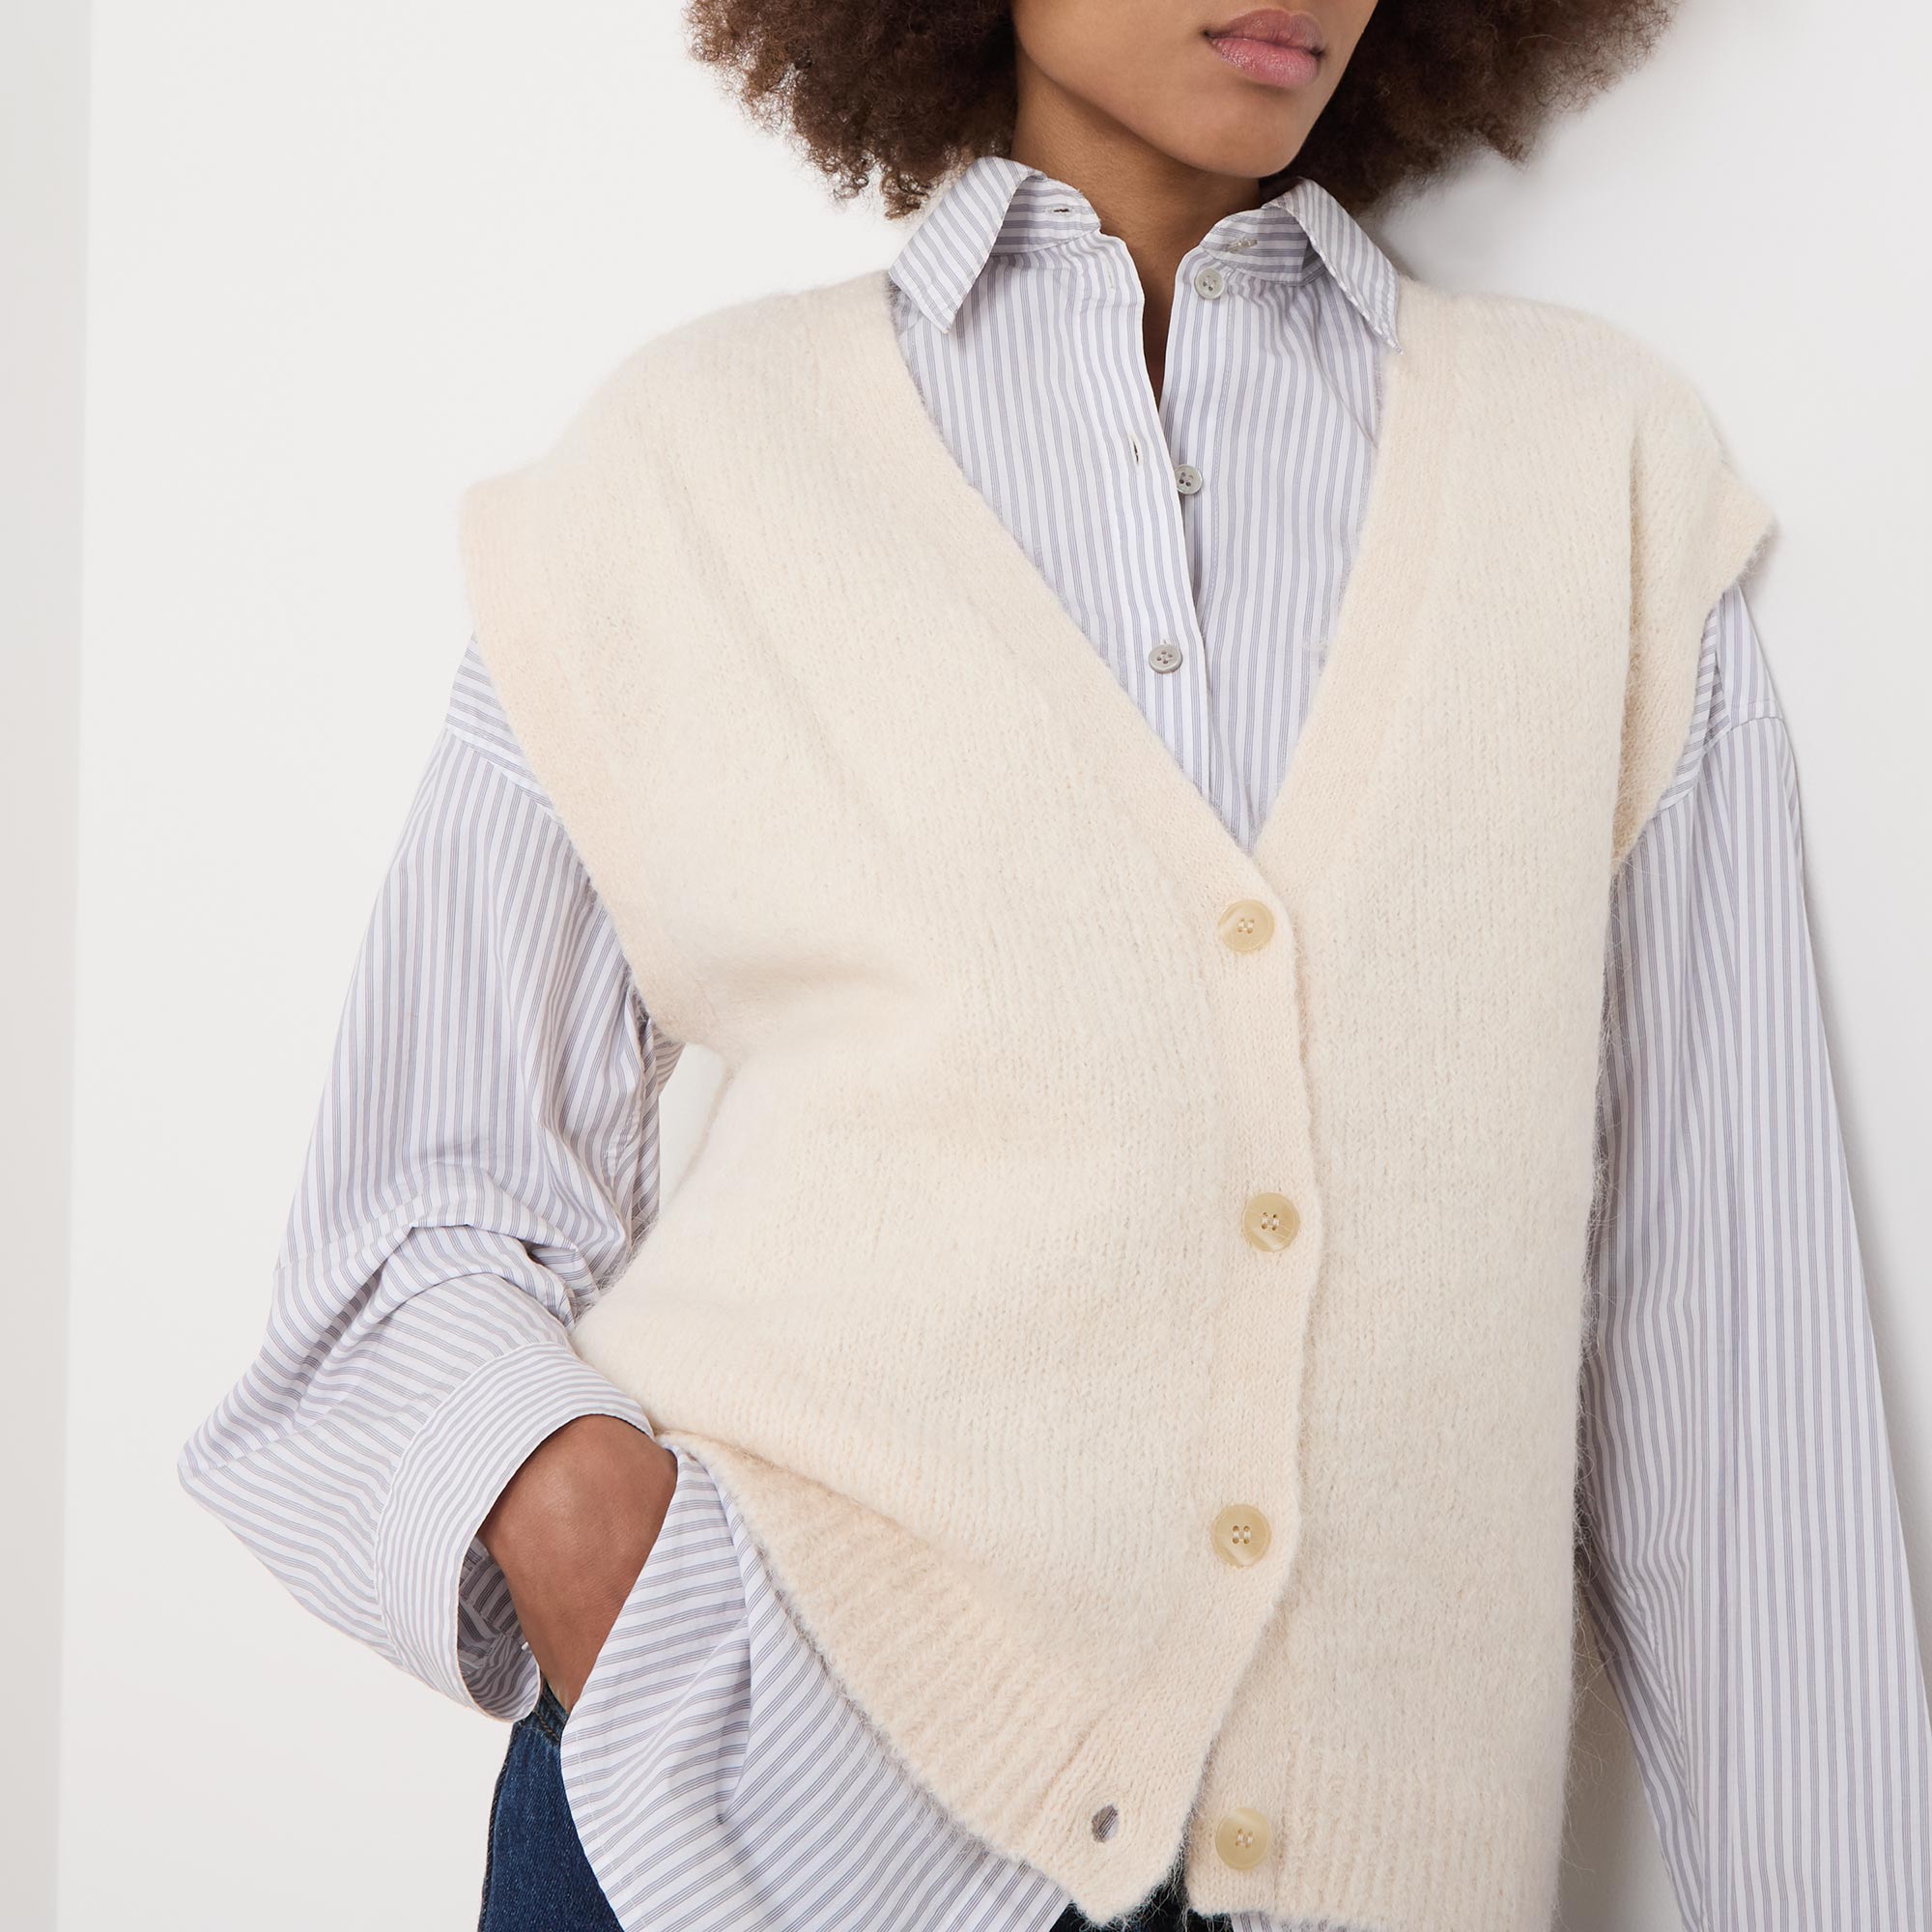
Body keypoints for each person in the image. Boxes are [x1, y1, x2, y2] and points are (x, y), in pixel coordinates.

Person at [179, 3, 1932, 1928]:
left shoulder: (1593, 477)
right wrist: (607, 1541)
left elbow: (1730, 1366)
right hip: (736, 1828)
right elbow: (410, 1226)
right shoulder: (687, 465)